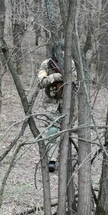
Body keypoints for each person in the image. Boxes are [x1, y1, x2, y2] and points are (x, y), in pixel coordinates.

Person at [37, 42, 75, 172]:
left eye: (64, 52)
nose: (62, 55)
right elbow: (41, 82)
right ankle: (52, 160)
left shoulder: (71, 64)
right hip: (51, 104)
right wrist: (54, 77)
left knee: (67, 131)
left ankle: (66, 159)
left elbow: (76, 82)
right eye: (60, 52)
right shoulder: (46, 64)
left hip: (67, 102)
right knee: (52, 131)